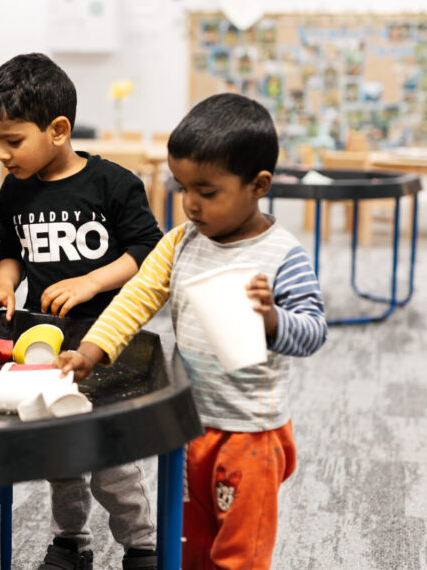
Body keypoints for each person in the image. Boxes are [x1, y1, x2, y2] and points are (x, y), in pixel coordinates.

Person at [56, 93, 328, 570]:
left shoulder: (283, 255)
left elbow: (314, 331)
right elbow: (136, 297)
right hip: (188, 423)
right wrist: (90, 352)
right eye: (183, 188)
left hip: (251, 434)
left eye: (208, 191)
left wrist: (271, 320)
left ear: (257, 185)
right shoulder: (180, 242)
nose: (191, 205)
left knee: (239, 553)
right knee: (189, 544)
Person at [0, 53, 164, 570]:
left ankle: (143, 544)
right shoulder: (16, 190)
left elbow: (147, 252)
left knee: (111, 461)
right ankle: (70, 541)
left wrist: (89, 281)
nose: (1, 155)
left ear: (58, 129)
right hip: (48, 345)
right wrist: (4, 283)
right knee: (60, 451)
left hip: (106, 343)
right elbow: (10, 251)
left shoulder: (113, 183)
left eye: (12, 141)